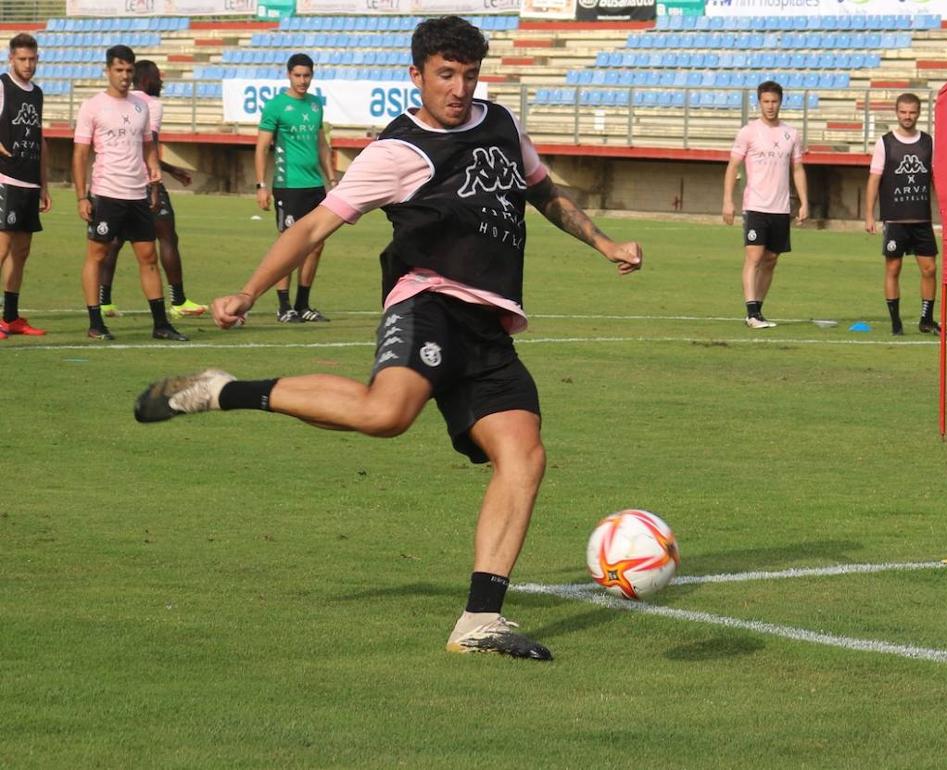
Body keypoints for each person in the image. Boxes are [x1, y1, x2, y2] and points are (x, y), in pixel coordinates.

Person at [134, 16, 642, 661]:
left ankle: (480, 621)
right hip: (427, 301)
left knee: (525, 456)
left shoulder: (503, 125)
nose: (459, 88)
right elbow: (315, 226)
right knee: (385, 414)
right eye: (445, 75)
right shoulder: (396, 151)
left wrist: (605, 244)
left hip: (489, 326)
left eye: (469, 74)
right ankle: (225, 391)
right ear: (417, 76)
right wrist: (250, 290)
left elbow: (543, 194)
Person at [73, 44, 187, 341]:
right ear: (107, 71)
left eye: (128, 70)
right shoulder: (92, 106)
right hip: (106, 192)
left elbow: (148, 145)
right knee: (96, 255)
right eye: (119, 70)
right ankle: (96, 322)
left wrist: (153, 180)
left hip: (137, 193)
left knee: (148, 256)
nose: (124, 76)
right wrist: (82, 196)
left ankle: (161, 324)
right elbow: (80, 154)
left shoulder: (141, 107)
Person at [98, 60, 207, 320]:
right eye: (159, 76)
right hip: (145, 183)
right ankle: (178, 301)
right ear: (149, 79)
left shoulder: (123, 101)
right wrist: (156, 185)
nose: (163, 80)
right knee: (167, 236)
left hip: (114, 181)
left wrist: (172, 170)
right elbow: (150, 146)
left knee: (113, 242)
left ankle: (104, 302)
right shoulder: (151, 105)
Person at [255, 53, 336, 323]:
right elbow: (262, 147)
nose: (303, 81)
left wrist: (332, 179)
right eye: (298, 75)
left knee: (316, 245)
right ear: (289, 75)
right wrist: (262, 185)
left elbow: (321, 144)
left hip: (315, 186)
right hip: (288, 186)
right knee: (287, 245)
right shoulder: (276, 106)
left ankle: (303, 305)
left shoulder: (315, 105)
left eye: (307, 75)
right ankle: (283, 306)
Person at [721, 80, 808, 329]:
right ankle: (750, 312)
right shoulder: (748, 132)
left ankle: (757, 310)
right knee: (754, 256)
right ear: (759, 103)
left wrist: (803, 202)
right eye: (766, 102)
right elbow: (732, 167)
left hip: (780, 208)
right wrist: (728, 200)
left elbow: (798, 169)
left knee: (771, 259)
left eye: (774, 101)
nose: (770, 106)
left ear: (781, 102)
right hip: (756, 205)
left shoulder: (791, 134)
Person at [864, 92, 940, 336]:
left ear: (919, 113)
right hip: (895, 219)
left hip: (922, 219)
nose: (908, 116)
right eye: (903, 112)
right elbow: (874, 180)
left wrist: (946, 210)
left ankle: (926, 319)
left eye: (912, 112)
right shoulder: (885, 142)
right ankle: (896, 322)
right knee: (893, 269)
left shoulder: (929, 142)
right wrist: (869, 215)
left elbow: (938, 179)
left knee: (929, 269)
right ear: (897, 113)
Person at [0, 33, 51, 339]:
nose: (28, 64)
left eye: (32, 59)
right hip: (6, 178)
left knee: (22, 251)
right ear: (11, 59)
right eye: (22, 59)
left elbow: (41, 140)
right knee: (2, 248)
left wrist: (44, 185)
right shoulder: (2, 85)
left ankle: (11, 316)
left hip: (30, 182)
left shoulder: (37, 93)